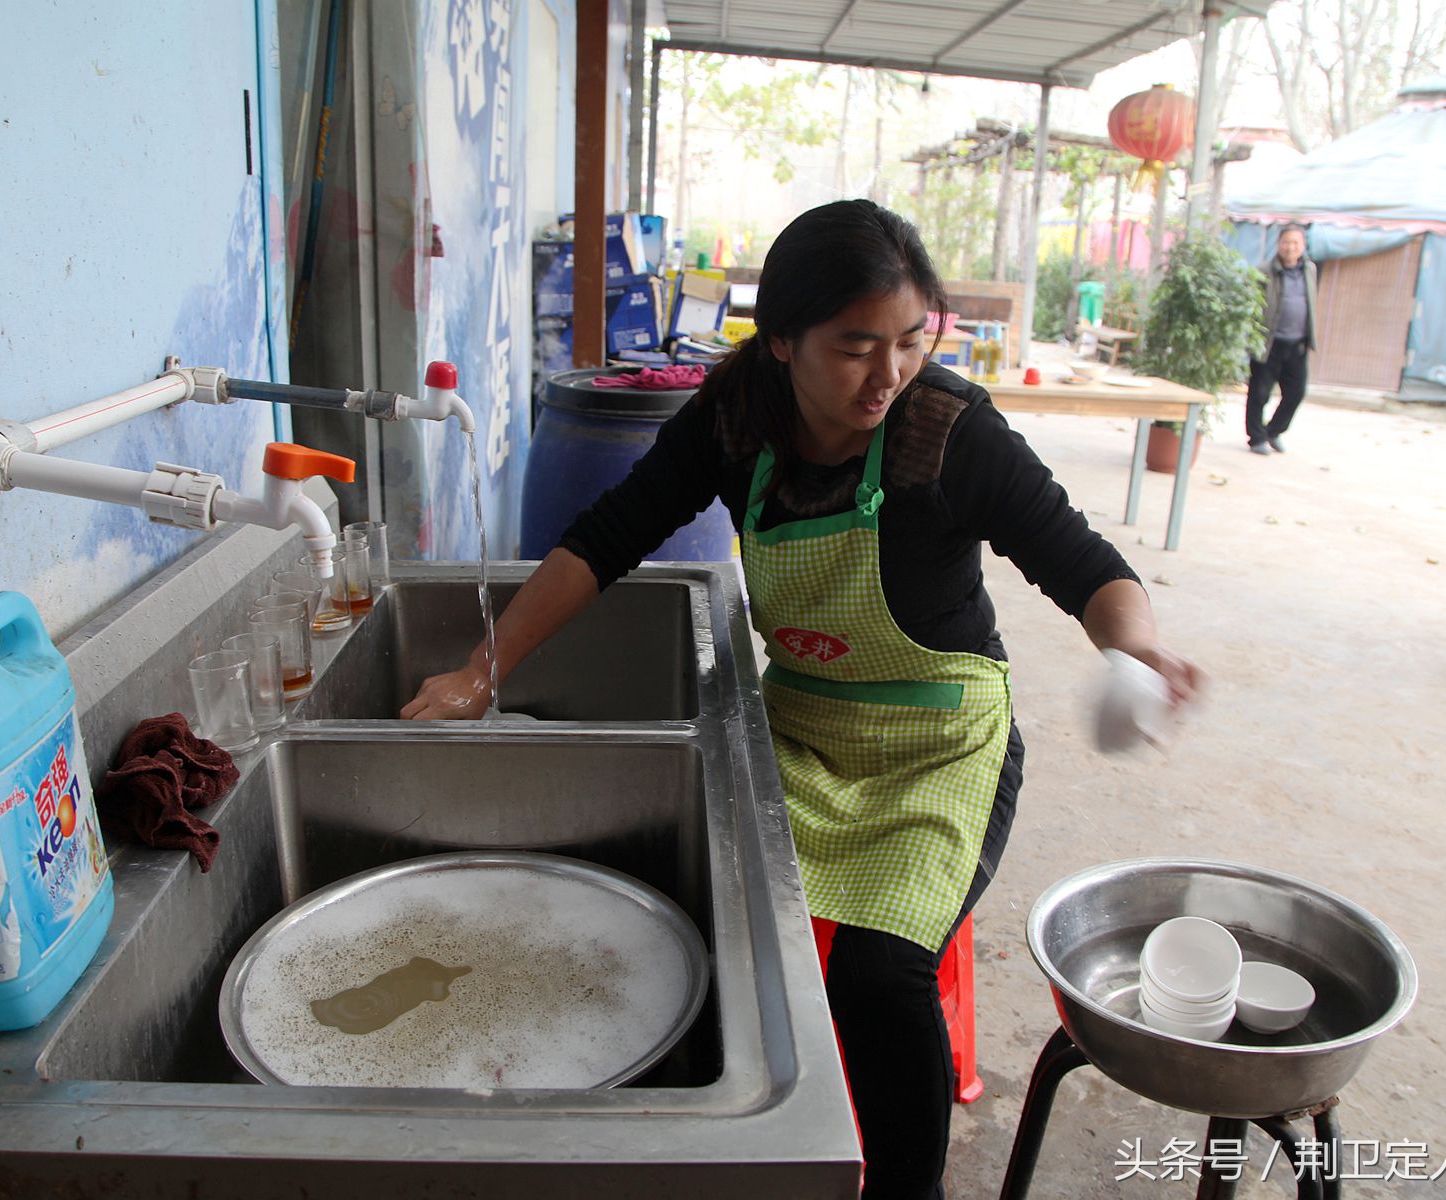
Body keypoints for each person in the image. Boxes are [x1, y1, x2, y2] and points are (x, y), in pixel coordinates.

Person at [402, 200, 1202, 1198]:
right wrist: (488, 666)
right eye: (855, 346)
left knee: (880, 978)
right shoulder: (735, 423)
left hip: (942, 747)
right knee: (710, 912)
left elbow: (1087, 569)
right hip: (807, 731)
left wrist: (1140, 653)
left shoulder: (950, 432)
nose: (888, 374)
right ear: (781, 339)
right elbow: (607, 537)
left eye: (912, 340)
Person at [1245, 223, 1318, 455]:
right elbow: (1253, 304)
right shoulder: (1264, 270)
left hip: (1297, 343)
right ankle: (1256, 437)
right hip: (1269, 342)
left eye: (1296, 243)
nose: (1291, 247)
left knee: (1296, 392)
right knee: (1259, 392)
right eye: (1287, 242)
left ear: (1303, 246)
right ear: (1279, 244)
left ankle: (1273, 431)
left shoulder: (1310, 270)